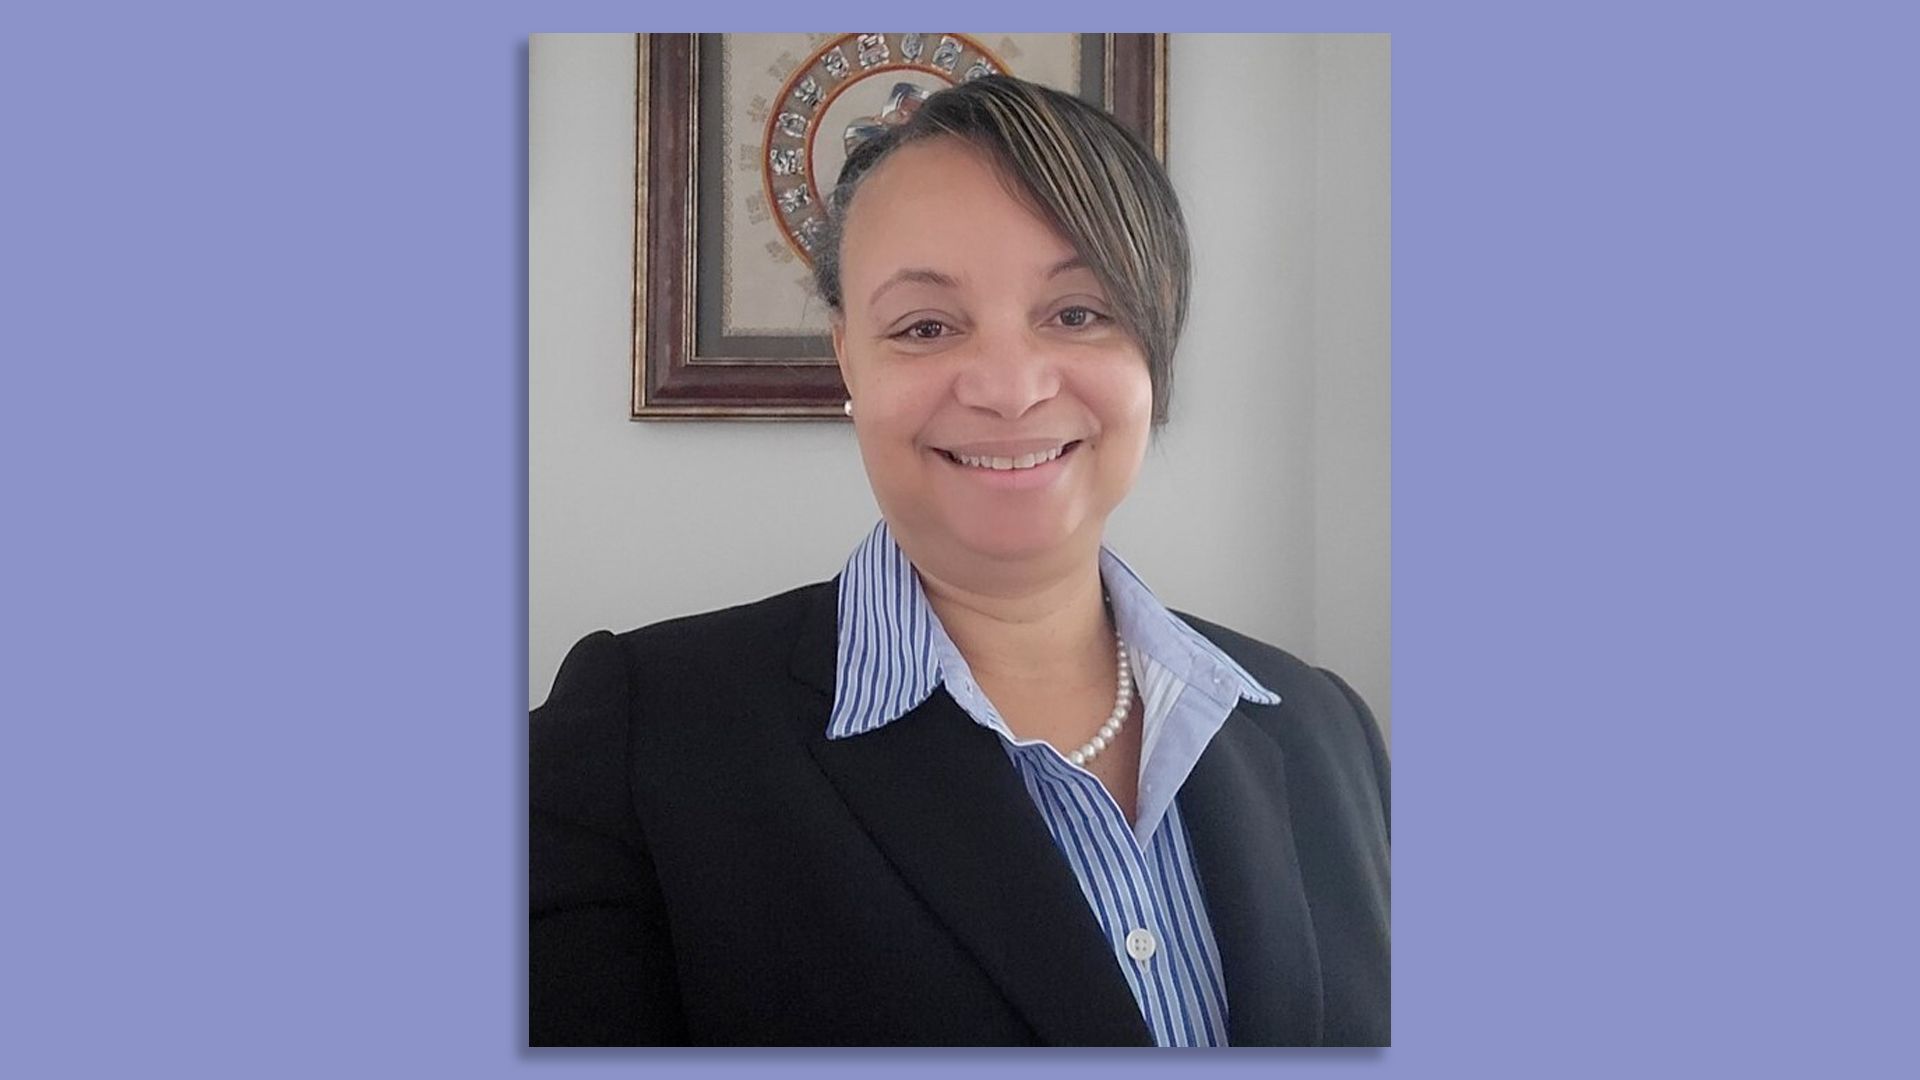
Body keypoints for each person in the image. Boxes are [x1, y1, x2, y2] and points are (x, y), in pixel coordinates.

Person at [530, 74, 1389, 1047]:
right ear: (850, 357)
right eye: (926, 327)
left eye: (1077, 313)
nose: (1010, 388)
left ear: (1156, 344)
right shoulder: (633, 739)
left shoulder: (1325, 729)